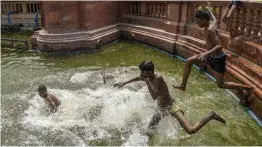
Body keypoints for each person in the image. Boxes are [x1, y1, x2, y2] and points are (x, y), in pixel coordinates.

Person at [114, 61, 226, 135]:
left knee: (190, 130)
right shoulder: (147, 76)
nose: (142, 74)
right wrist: (124, 83)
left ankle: (211, 115)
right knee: (149, 131)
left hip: (171, 106)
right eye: (142, 72)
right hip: (161, 108)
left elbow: (154, 96)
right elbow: (138, 78)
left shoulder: (158, 78)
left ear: (150, 71)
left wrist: (147, 82)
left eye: (144, 72)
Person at [173, 5, 254, 105]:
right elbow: (215, 19)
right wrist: (209, 10)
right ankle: (183, 86)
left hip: (218, 58)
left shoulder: (211, 29)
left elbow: (219, 46)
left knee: (221, 85)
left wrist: (205, 53)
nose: (196, 23)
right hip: (210, 56)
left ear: (203, 19)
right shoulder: (210, 23)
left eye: (197, 21)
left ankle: (248, 87)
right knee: (189, 61)